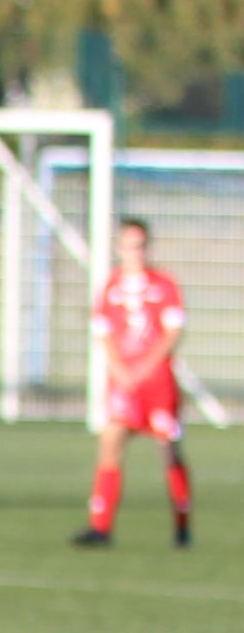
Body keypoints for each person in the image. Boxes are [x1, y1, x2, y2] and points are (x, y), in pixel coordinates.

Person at [79, 217, 190, 550]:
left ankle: (182, 525)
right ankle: (100, 527)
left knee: (169, 450)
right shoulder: (110, 287)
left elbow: (173, 332)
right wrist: (119, 370)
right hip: (124, 382)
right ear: (119, 248)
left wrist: (145, 367)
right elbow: (104, 334)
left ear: (147, 247)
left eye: (139, 245)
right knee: (110, 441)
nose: (134, 253)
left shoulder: (164, 284)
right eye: (128, 246)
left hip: (157, 382)